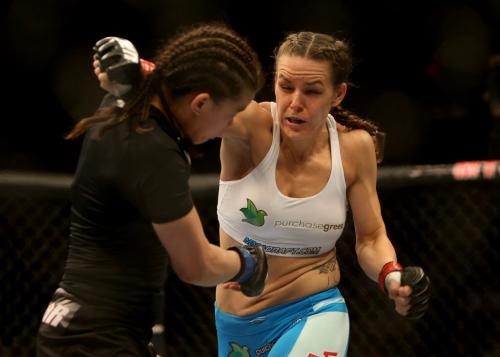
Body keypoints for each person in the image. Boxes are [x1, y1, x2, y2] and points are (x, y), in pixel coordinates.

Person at [95, 31, 431, 357]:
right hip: (235, 325)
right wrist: (138, 72)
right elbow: (195, 100)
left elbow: (371, 238)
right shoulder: (251, 127)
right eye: (286, 87)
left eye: (312, 91)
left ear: (338, 94)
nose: (295, 103)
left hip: (315, 312)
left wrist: (391, 274)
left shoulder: (354, 147)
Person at [36, 23, 268, 357]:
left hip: (82, 327)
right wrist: (247, 264)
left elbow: (164, 78)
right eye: (232, 112)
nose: (228, 127)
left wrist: (134, 67)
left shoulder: (130, 103)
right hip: (96, 341)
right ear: (200, 103)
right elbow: (197, 265)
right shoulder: (154, 152)